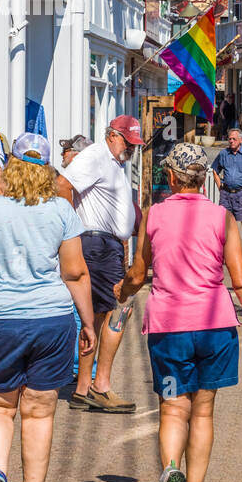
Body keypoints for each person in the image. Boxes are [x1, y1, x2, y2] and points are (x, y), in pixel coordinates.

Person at [118, 141, 242, 482]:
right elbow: (241, 282)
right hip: (215, 328)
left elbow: (138, 275)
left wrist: (120, 296)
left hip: (169, 329)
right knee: (203, 412)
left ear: (170, 178)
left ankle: (171, 470)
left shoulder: (153, 215)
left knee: (173, 409)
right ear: (204, 179)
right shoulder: (224, 218)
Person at [0, 133, 95, 482]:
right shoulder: (62, 211)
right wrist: (87, 322)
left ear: (10, 167)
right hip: (50, 321)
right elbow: (74, 272)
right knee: (38, 412)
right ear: (49, 170)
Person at [61, 115, 142, 413]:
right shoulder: (96, 154)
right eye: (127, 141)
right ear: (111, 135)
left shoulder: (114, 164)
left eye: (135, 144)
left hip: (106, 246)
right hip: (95, 244)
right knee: (119, 311)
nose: (131, 148)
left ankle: (83, 388)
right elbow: (63, 184)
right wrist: (69, 232)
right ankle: (101, 386)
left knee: (94, 318)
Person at [211, 127, 242, 263]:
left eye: (234, 139)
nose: (231, 141)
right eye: (229, 139)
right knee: (224, 225)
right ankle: (224, 254)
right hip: (226, 194)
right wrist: (219, 186)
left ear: (241, 140)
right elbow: (215, 170)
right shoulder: (224, 154)